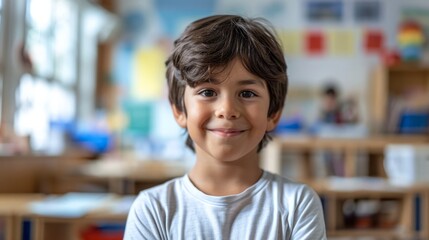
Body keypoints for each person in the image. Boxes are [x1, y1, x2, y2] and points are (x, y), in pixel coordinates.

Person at [124, 15, 326, 239]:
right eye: (207, 92)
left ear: (273, 113)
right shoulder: (153, 210)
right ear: (180, 111)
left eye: (247, 94)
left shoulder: (297, 205)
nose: (227, 109)